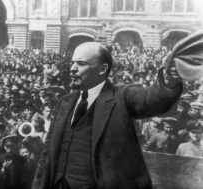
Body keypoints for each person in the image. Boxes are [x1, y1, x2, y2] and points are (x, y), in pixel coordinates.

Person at [32, 42, 183, 189]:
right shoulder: (65, 102)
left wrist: (169, 78)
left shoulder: (122, 96)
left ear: (102, 69)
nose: (72, 69)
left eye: (81, 63)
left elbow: (152, 99)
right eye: (73, 63)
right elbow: (47, 153)